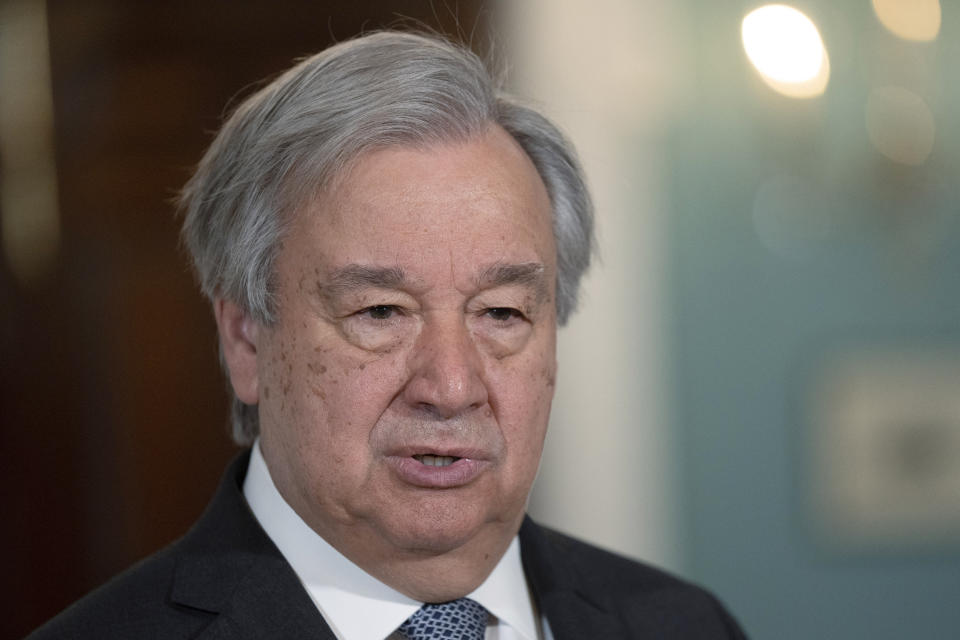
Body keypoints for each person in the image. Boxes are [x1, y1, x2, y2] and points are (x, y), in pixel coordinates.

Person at [29, 31, 747, 639]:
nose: (452, 387)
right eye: (381, 313)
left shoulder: (685, 624)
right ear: (246, 340)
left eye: (501, 313)